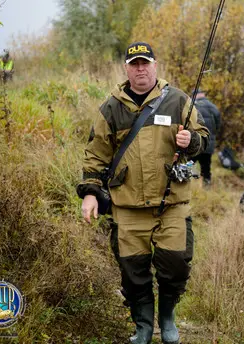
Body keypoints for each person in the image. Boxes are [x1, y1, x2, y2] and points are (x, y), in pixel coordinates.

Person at [76, 41, 209, 344]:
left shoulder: (177, 101)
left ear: (155, 65)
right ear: (126, 68)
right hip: (127, 205)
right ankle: (144, 327)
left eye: (145, 63)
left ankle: (167, 317)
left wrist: (192, 142)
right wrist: (90, 193)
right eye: (134, 64)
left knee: (175, 262)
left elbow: (204, 138)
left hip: (171, 203)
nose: (140, 69)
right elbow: (95, 154)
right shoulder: (111, 107)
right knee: (133, 271)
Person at [191, 89, 221, 186]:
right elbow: (218, 126)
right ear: (203, 95)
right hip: (208, 143)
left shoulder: (191, 106)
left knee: (187, 165)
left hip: (194, 143)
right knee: (206, 167)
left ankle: (184, 185)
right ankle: (206, 186)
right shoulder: (213, 107)